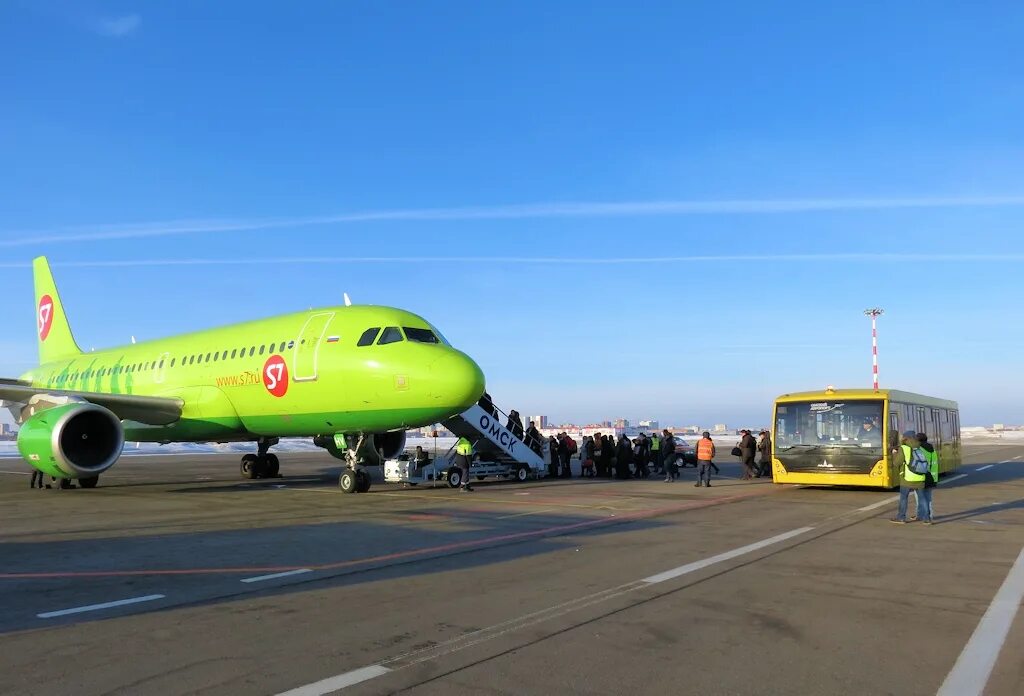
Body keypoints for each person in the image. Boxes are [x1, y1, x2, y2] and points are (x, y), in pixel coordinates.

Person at [892, 430, 932, 523]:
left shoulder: (904, 448)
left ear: (906, 438)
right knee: (922, 498)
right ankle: (927, 518)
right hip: (920, 476)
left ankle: (901, 517)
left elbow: (897, 463)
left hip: (908, 477)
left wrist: (895, 454)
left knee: (903, 498)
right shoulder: (919, 447)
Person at [915, 432, 939, 522]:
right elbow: (935, 465)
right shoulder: (932, 450)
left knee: (920, 498)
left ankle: (922, 516)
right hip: (931, 477)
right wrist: (935, 479)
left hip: (920, 477)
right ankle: (929, 515)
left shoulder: (918, 450)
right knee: (928, 498)